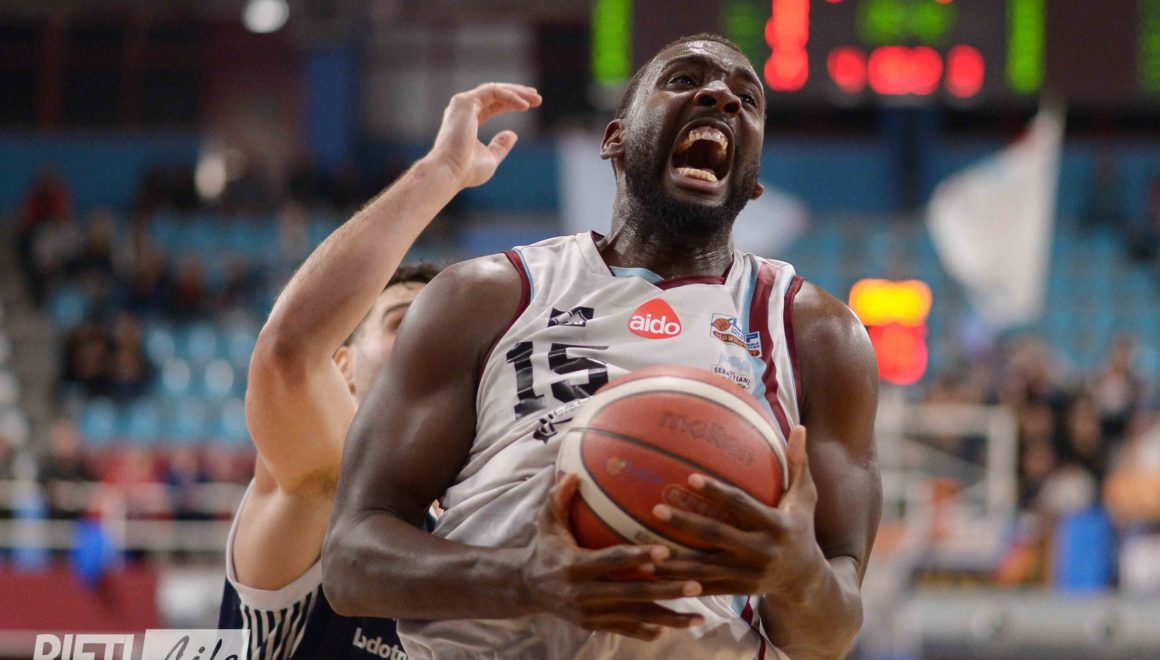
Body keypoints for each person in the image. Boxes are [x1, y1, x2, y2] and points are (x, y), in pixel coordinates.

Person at [323, 34, 881, 659]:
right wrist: (522, 580)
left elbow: (831, 632)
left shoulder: (820, 335)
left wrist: (798, 577)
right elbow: (350, 560)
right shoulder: (482, 297)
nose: (721, 96)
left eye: (746, 99)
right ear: (615, 139)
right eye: (683, 79)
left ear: (752, 182)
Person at [217, 80, 542, 660]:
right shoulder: (323, 484)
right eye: (400, 322)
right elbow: (290, 355)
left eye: (441, 331)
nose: (427, 343)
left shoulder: (485, 526)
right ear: (342, 368)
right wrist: (442, 173)